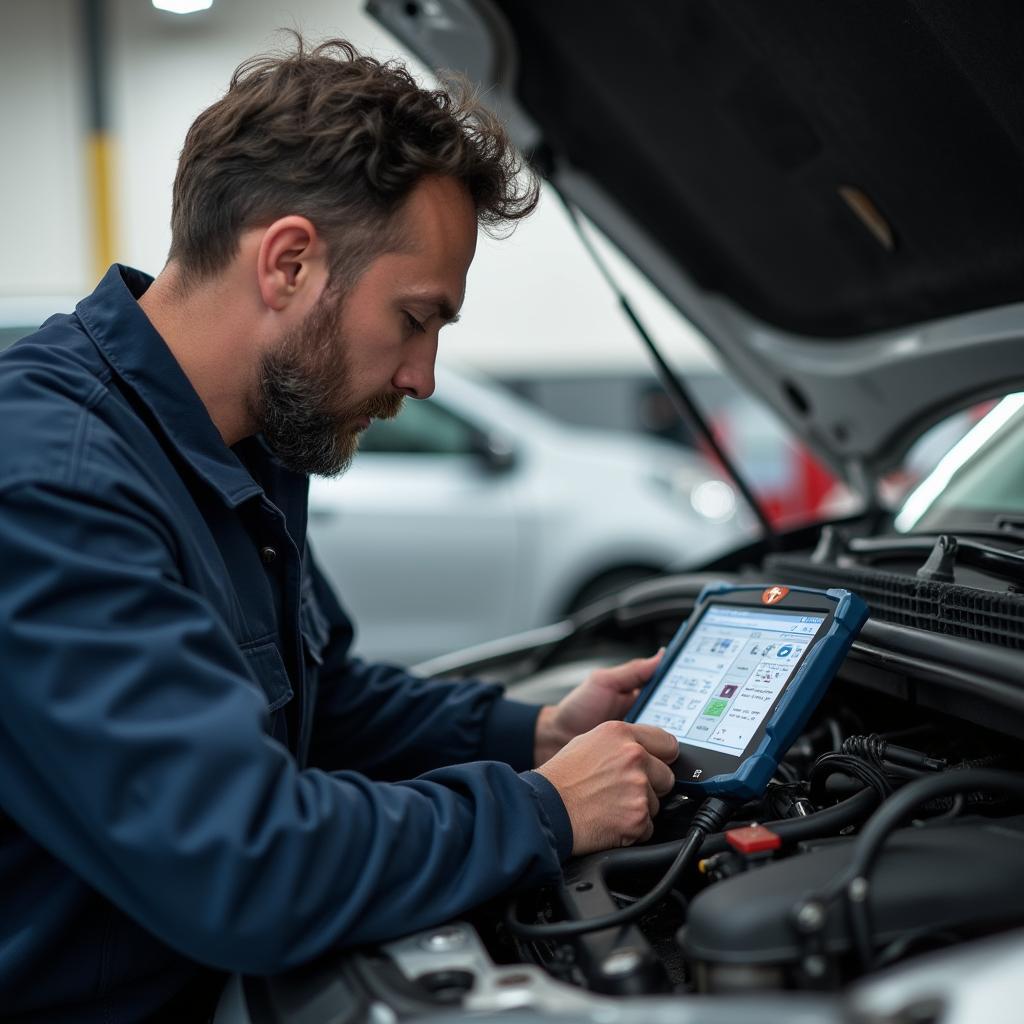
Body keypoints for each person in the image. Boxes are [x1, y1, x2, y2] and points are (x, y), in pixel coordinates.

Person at [0, 37, 678, 1022]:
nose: (423, 378)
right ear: (287, 262)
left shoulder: (241, 442)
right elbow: (245, 864)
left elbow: (328, 706)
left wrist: (533, 731)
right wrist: (540, 808)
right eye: (415, 319)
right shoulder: (50, 487)